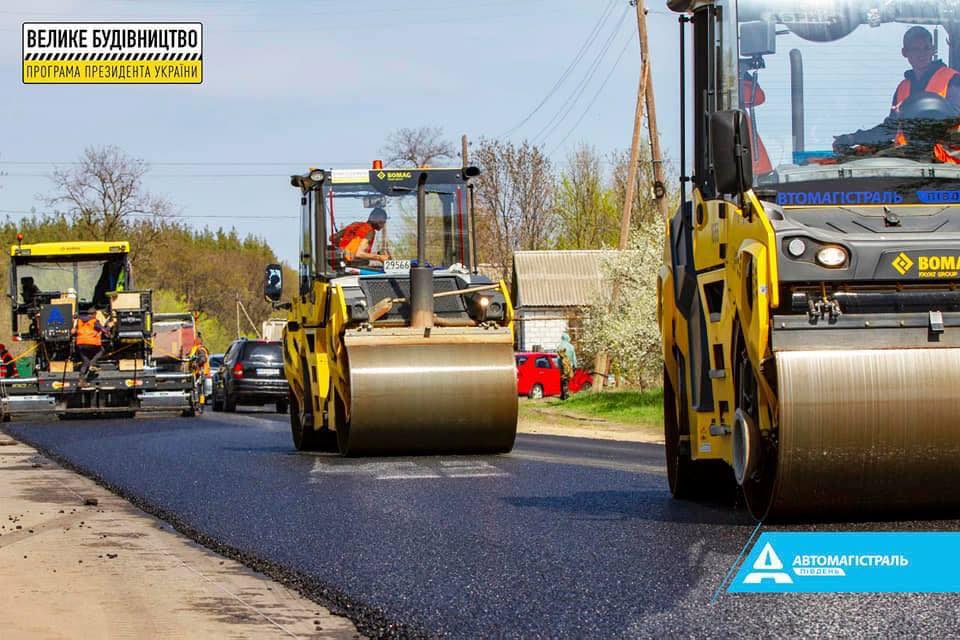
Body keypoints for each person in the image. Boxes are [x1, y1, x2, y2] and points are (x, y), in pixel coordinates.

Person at [835, 26, 960, 157]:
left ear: (933, 50)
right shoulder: (903, 88)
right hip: (908, 161)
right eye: (915, 49)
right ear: (904, 52)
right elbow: (890, 129)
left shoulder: (953, 80)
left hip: (945, 163)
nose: (921, 54)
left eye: (926, 48)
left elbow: (955, 116)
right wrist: (853, 138)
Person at [71, 305, 110, 384]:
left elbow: (73, 332)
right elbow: (104, 330)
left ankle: (81, 380)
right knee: (101, 350)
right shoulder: (94, 321)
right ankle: (93, 364)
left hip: (80, 344)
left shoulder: (79, 321)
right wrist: (109, 327)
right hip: (92, 343)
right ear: (94, 314)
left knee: (85, 361)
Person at [555, 332, 577, 401]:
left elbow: (558, 358)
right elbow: (574, 358)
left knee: (562, 379)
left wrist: (558, 366)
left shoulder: (559, 346)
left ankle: (563, 394)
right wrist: (575, 365)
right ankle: (565, 394)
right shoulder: (571, 346)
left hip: (562, 366)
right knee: (567, 379)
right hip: (569, 366)